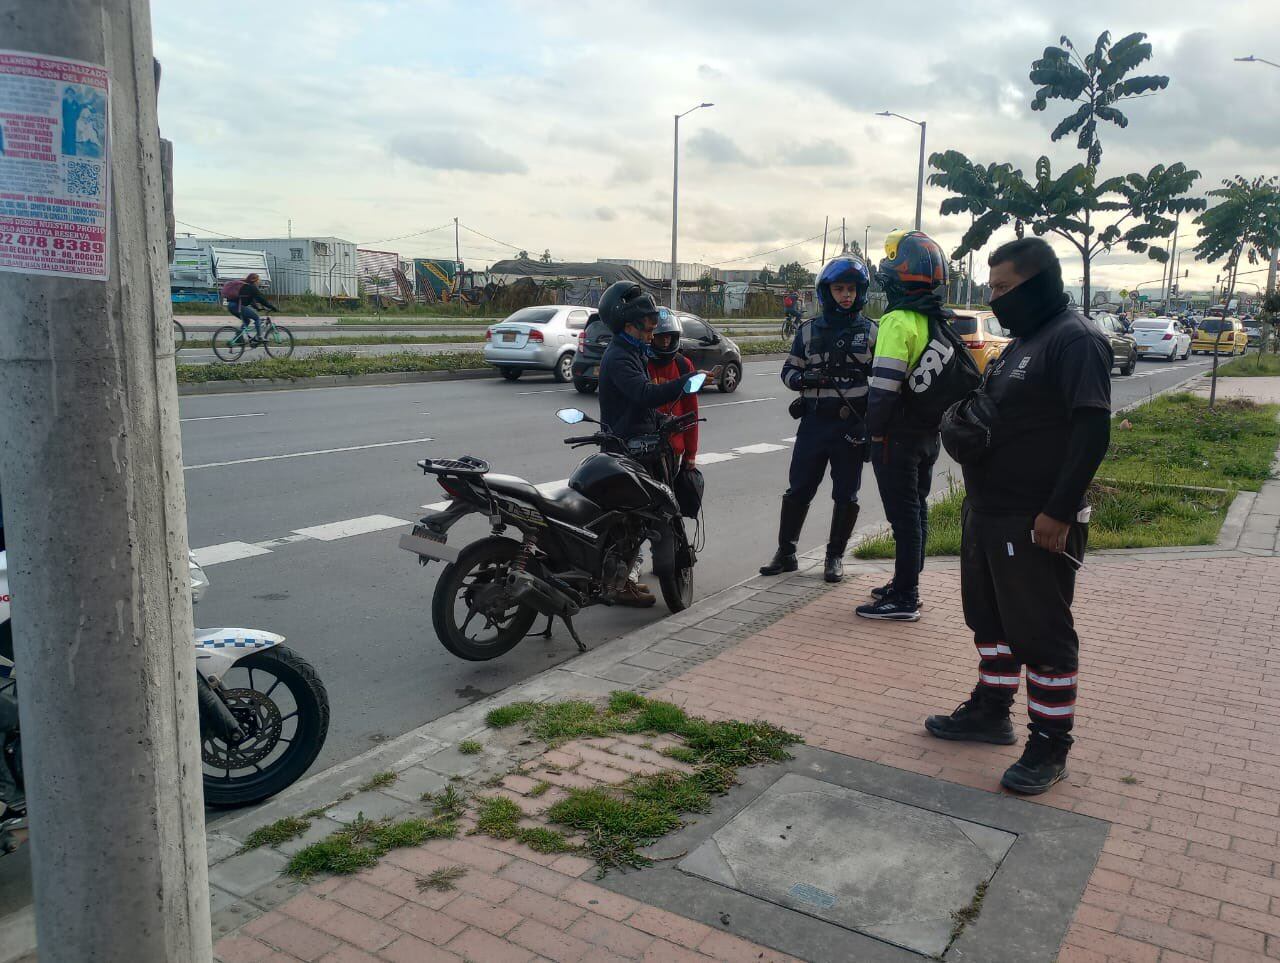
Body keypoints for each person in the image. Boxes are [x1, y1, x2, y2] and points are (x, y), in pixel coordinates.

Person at [925, 237, 1111, 795]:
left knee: (1043, 634)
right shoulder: (1023, 341)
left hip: (1036, 519)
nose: (995, 297)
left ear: (1038, 283)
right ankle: (990, 711)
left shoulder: (1074, 340)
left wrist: (1057, 511)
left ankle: (1050, 745)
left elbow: (1091, 431)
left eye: (1004, 288)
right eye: (992, 287)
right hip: (990, 511)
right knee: (991, 620)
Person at [855, 230, 951, 621]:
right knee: (917, 510)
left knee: (903, 516)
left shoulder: (897, 321)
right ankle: (905, 580)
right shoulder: (935, 320)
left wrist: (872, 432)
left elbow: (882, 389)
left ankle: (905, 596)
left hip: (897, 436)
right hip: (929, 434)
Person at [760, 255, 875, 583]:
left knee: (846, 494)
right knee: (799, 489)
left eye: (851, 289)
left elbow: (882, 384)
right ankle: (786, 552)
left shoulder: (871, 333)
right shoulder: (808, 331)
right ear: (827, 292)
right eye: (839, 288)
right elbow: (788, 370)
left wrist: (871, 427)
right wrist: (803, 380)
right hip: (814, 424)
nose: (846, 295)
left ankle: (835, 556)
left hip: (851, 427)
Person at [597, 282, 701, 606]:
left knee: (635, 523)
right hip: (626, 450)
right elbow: (644, 394)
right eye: (647, 328)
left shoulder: (633, 352)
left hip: (640, 446)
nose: (651, 335)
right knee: (630, 522)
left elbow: (641, 407)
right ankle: (615, 584)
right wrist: (684, 384)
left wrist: (662, 421)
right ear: (628, 325)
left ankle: (621, 581)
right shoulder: (619, 357)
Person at [226, 273, 277, 339]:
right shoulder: (252, 287)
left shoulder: (246, 286)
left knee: (247, 321)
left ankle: (238, 338)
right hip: (237, 306)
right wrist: (271, 307)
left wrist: (257, 308)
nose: (260, 281)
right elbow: (261, 299)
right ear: (255, 280)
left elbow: (251, 300)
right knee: (257, 318)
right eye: (259, 280)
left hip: (231, 306)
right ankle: (259, 337)